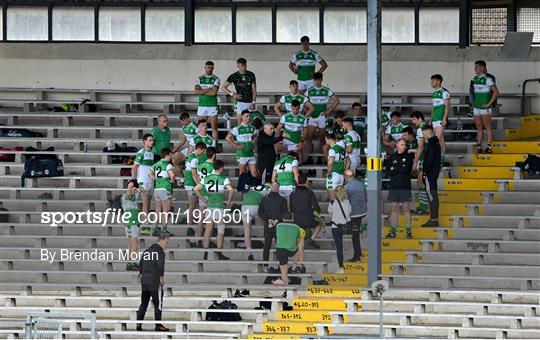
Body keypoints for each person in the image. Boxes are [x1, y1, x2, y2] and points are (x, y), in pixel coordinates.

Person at [194, 160, 234, 261]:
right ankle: (219, 252)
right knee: (220, 229)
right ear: (221, 168)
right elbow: (231, 190)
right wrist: (229, 201)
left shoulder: (206, 178)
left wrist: (203, 198)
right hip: (219, 206)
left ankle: (205, 253)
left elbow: (195, 189)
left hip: (210, 206)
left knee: (208, 230)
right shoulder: (223, 179)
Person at [304, 72, 340, 165]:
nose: (317, 82)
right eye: (316, 80)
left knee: (322, 139)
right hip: (312, 117)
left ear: (321, 80)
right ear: (314, 80)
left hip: (322, 117)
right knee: (308, 138)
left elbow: (337, 101)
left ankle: (321, 158)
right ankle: (309, 158)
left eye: (319, 80)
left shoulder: (326, 90)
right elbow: (303, 102)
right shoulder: (309, 90)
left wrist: (328, 111)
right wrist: (307, 112)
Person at [136, 235, 169, 332]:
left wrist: (143, 275)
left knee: (144, 303)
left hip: (145, 280)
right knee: (158, 303)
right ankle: (158, 325)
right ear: (161, 241)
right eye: (166, 242)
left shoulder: (147, 251)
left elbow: (140, 265)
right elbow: (160, 265)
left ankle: (138, 323)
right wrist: (161, 277)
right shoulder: (160, 252)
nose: (167, 245)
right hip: (154, 280)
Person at [385, 139, 414, 239]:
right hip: (393, 185)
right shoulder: (392, 157)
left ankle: (409, 231)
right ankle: (393, 231)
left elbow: (406, 169)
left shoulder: (408, 156)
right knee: (394, 208)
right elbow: (388, 172)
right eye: (401, 145)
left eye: (404, 145)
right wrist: (399, 168)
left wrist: (395, 169)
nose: (403, 146)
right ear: (396, 145)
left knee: (405, 208)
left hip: (404, 185)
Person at [470, 60, 499, 154]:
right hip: (477, 107)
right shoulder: (474, 78)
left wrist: (488, 104)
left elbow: (496, 92)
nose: (475, 69)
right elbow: (474, 93)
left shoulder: (488, 79)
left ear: (482, 68)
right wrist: (473, 102)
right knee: (478, 127)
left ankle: (489, 147)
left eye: (477, 67)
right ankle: (479, 146)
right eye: (475, 67)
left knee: (487, 127)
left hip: (485, 108)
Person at [258, 183, 288, 269]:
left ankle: (265, 265)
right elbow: (285, 212)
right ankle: (280, 266)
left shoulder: (265, 199)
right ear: (278, 188)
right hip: (278, 226)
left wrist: (268, 219)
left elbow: (260, 212)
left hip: (268, 225)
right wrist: (277, 220)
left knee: (267, 246)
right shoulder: (282, 199)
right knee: (279, 246)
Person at [290, 172, 322, 249]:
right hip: (309, 218)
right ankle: (312, 239)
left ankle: (300, 246)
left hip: (297, 220)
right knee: (319, 223)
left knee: (302, 231)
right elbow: (317, 207)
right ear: (306, 182)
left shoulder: (292, 193)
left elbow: (291, 208)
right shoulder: (310, 193)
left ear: (297, 182)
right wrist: (315, 213)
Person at [273, 212, 305, 286]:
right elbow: (298, 241)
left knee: (284, 272)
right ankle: (294, 266)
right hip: (291, 249)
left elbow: (277, 235)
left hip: (280, 250)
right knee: (298, 250)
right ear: (292, 218)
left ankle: (286, 289)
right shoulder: (297, 227)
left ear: (283, 218)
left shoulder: (278, 225)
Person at [221, 58, 257, 124]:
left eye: (245, 65)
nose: (244, 67)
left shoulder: (251, 75)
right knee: (240, 123)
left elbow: (254, 90)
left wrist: (254, 102)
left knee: (250, 123)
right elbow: (223, 87)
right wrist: (233, 94)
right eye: (242, 65)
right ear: (238, 66)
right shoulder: (234, 76)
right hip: (240, 102)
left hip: (249, 101)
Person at [132, 134, 155, 236]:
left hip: (150, 181)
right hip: (143, 181)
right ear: (145, 141)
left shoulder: (152, 153)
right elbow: (134, 167)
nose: (152, 142)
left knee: (148, 204)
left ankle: (144, 227)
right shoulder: (141, 153)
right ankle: (145, 225)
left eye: (152, 140)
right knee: (145, 204)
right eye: (150, 140)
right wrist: (135, 181)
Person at [149, 148, 175, 237]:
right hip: (165, 189)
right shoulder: (168, 165)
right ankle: (164, 230)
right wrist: (172, 181)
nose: (172, 156)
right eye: (171, 155)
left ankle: (155, 229)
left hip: (157, 189)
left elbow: (149, 174)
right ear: (167, 155)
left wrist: (157, 179)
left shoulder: (156, 164)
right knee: (165, 211)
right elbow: (172, 175)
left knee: (158, 210)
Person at [241, 183, 270, 261]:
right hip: (255, 207)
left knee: (247, 232)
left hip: (245, 207)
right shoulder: (268, 189)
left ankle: (249, 252)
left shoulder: (253, 187)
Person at [327, 186, 352, 274]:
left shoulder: (332, 202)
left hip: (335, 227)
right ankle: (341, 267)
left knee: (339, 247)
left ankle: (341, 267)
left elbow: (330, 214)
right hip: (344, 226)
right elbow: (349, 214)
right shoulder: (348, 202)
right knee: (340, 247)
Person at [226, 110, 258, 177]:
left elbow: (255, 136)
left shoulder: (252, 128)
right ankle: (243, 187)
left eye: (249, 116)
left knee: (254, 173)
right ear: (242, 117)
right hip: (241, 154)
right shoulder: (237, 128)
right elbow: (227, 138)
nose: (248, 118)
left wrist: (253, 144)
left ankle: (253, 187)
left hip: (250, 153)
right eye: (246, 116)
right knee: (243, 173)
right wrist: (237, 146)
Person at [420, 125, 442, 228]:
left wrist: (424, 173)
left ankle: (433, 220)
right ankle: (433, 219)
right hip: (434, 173)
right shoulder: (436, 142)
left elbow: (429, 160)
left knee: (431, 196)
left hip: (430, 174)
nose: (423, 136)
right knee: (433, 195)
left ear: (427, 132)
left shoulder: (432, 144)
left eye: (424, 134)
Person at [194, 61, 220, 141]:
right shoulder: (199, 79)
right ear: (205, 68)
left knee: (214, 128)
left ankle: (214, 146)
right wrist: (208, 89)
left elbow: (213, 93)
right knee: (200, 127)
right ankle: (200, 144)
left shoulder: (216, 79)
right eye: (208, 67)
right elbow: (196, 91)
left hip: (212, 105)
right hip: (202, 105)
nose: (210, 69)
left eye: (211, 67)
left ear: (213, 68)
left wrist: (202, 91)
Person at [344, 169, 366, 261]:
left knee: (355, 235)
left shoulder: (346, 187)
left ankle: (357, 255)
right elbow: (366, 197)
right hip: (363, 211)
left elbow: (345, 202)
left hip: (353, 213)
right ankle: (358, 253)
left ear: (346, 177)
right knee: (355, 233)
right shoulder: (361, 184)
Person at [183, 142, 207, 226]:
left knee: (192, 204)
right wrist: (198, 185)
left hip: (188, 182)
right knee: (192, 205)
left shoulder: (190, 156)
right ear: (199, 149)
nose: (203, 154)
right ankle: (190, 224)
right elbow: (193, 173)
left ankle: (191, 221)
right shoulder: (194, 159)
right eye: (203, 152)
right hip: (191, 183)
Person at [410, 111, 429, 215]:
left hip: (424, 158)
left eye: (414, 119)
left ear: (419, 118)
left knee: (421, 183)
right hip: (427, 157)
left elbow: (421, 147)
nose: (413, 122)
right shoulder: (427, 127)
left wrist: (415, 161)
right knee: (420, 182)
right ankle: (423, 206)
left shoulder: (421, 129)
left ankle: (424, 207)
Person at [195, 147, 217, 240]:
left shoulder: (200, 165)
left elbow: (199, 181)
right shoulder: (214, 166)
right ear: (214, 155)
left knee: (201, 217)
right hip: (211, 193)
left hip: (202, 192)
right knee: (211, 218)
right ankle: (209, 238)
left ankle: (198, 239)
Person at [431, 74, 450, 163]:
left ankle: (437, 158)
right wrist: (430, 120)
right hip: (435, 119)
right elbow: (433, 107)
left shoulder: (444, 92)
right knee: (441, 140)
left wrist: (444, 119)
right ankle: (442, 157)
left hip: (440, 119)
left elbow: (447, 106)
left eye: (433, 81)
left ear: (439, 81)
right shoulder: (434, 93)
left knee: (436, 140)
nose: (432, 82)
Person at [122, 179, 140, 271]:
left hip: (131, 220)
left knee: (131, 242)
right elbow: (128, 195)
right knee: (134, 242)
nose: (129, 189)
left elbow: (141, 193)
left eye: (131, 187)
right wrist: (132, 190)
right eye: (128, 187)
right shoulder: (124, 196)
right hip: (131, 221)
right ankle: (132, 262)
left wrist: (137, 189)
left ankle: (129, 262)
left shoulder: (136, 195)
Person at [325, 134, 346, 201]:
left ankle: (333, 211)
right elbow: (348, 161)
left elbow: (330, 162)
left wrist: (328, 172)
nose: (326, 141)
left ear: (329, 140)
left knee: (332, 198)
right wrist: (344, 170)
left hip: (333, 174)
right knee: (340, 197)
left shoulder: (332, 149)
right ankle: (339, 211)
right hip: (341, 175)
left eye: (326, 140)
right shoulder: (342, 148)